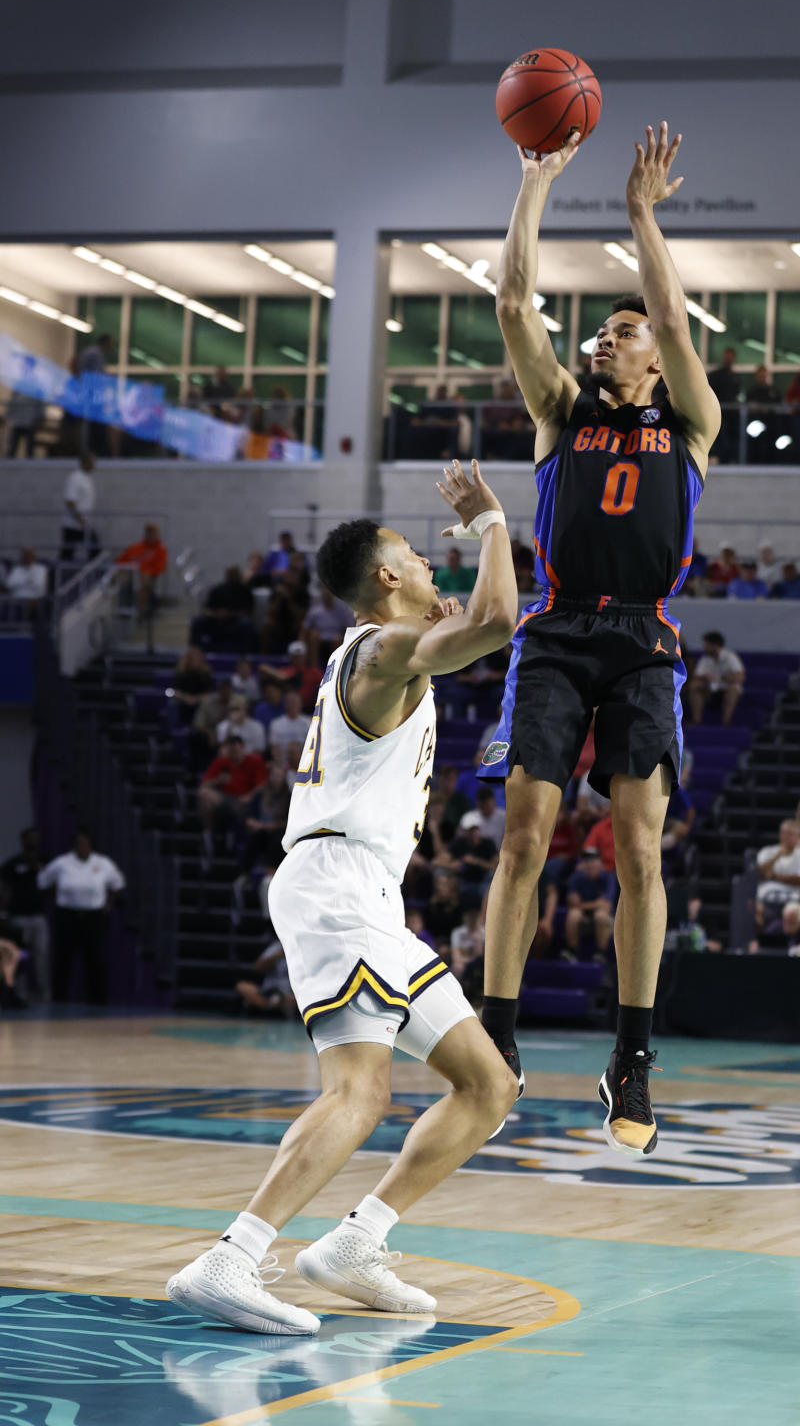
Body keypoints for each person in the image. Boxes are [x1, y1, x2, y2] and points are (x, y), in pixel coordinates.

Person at [166, 458, 519, 1334]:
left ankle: (358, 1242)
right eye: (418, 559)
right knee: (359, 1091)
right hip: (336, 886)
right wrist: (493, 523)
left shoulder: (388, 653)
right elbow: (501, 620)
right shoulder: (384, 649)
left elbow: (461, 633)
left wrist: (445, 622)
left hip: (370, 894)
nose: (435, 569)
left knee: (489, 1084)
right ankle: (232, 1257)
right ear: (388, 577)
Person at [475, 121, 720, 1157]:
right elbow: (512, 302)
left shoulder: (692, 420)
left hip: (645, 640)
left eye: (623, 332)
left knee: (636, 849)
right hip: (558, 631)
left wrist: (640, 215)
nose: (607, 338)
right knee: (525, 834)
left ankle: (632, 1055)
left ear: (658, 355)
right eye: (604, 333)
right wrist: (532, 184)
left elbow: (666, 306)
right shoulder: (559, 414)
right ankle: (497, 1032)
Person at [37, 829, 124, 1004]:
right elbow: (43, 882)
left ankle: (97, 1000)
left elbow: (117, 884)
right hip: (67, 915)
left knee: (95, 958)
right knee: (63, 958)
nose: (83, 847)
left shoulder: (103, 863)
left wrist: (107, 904)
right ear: (74, 846)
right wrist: (56, 899)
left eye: (86, 843)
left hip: (94, 917)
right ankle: (59, 998)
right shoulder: (62, 863)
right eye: (79, 843)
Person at [0, 828, 50, 1002]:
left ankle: (45, 993)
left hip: (38, 917)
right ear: (23, 841)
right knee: (18, 954)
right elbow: (5, 891)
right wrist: (4, 913)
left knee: (41, 955)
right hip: (18, 917)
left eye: (36, 840)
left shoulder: (45, 862)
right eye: (30, 840)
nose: (33, 844)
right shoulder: (12, 864)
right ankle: (17, 991)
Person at [198, 736, 269, 851]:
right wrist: (218, 780)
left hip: (244, 800)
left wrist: (250, 795)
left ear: (243, 748)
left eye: (236, 750)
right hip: (224, 798)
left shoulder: (254, 761)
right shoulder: (222, 762)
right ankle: (208, 835)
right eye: (231, 751)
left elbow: (263, 785)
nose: (234, 754)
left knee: (240, 808)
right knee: (204, 794)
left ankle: (230, 836)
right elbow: (203, 786)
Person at [754, 819, 800, 929]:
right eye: (785, 833)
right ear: (780, 834)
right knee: (753, 910)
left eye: (791, 834)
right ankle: (757, 943)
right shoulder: (767, 852)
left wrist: (774, 877)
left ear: (798, 838)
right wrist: (776, 856)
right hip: (766, 899)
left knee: (792, 913)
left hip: (794, 898)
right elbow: (759, 874)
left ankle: (789, 944)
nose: (787, 837)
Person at [564, 847, 616, 962]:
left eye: (593, 860)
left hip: (603, 918)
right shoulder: (577, 877)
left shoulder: (608, 877)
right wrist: (593, 904)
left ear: (600, 863)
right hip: (583, 917)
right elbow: (571, 902)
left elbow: (605, 904)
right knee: (573, 915)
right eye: (586, 860)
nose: (590, 863)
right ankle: (572, 952)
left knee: (601, 915)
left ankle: (601, 953)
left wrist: (582, 905)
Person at [688, 631, 745, 726]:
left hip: (726, 690)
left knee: (733, 689)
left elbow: (740, 677)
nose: (704, 647)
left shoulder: (730, 657)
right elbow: (697, 677)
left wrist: (721, 678)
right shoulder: (705, 660)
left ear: (715, 645)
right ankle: (696, 720)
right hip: (710, 692)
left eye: (706, 645)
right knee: (695, 686)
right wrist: (705, 678)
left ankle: (727, 721)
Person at [115, 523, 168, 616]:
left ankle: (140, 611)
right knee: (123, 574)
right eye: (149, 533)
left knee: (144, 581)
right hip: (132, 575)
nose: (151, 536)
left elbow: (161, 567)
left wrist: (146, 571)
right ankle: (122, 604)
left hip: (149, 577)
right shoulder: (135, 548)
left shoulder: (160, 550)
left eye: (153, 533)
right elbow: (121, 561)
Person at [235, 940, 295, 1016]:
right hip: (267, 992)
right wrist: (278, 955)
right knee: (242, 986)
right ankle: (268, 1006)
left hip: (289, 993)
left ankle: (272, 1007)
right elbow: (258, 967)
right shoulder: (277, 946)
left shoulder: (302, 948)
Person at [302, 586, 354, 668]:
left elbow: (351, 627)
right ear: (322, 595)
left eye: (329, 594)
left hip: (336, 637)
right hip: (319, 637)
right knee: (313, 635)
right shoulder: (315, 609)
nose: (327, 596)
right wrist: (302, 642)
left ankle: (336, 667)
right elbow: (305, 628)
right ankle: (314, 668)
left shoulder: (343, 609)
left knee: (338, 639)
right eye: (325, 594)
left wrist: (343, 635)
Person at [60, 452, 97, 561]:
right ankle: (58, 575)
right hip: (74, 524)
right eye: (92, 462)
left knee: (92, 549)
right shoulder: (75, 478)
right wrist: (80, 520)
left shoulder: (87, 478)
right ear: (84, 462)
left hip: (83, 524)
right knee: (68, 554)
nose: (94, 465)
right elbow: (70, 501)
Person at [706, 346, 740, 464]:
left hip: (731, 414)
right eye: (726, 356)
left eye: (730, 356)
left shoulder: (735, 377)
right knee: (720, 437)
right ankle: (717, 457)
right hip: (718, 412)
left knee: (730, 438)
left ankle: (729, 458)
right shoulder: (716, 375)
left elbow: (735, 394)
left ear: (734, 358)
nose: (728, 359)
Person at [267, 690, 311, 760]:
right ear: (285, 704)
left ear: (300, 704)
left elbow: (313, 747)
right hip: (283, 762)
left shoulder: (309, 723)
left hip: (304, 761)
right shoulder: (276, 724)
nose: (292, 705)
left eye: (295, 702)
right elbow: (274, 749)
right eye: (289, 702)